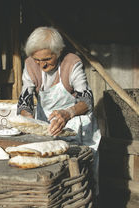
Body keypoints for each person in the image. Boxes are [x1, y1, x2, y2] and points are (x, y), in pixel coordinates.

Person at [17, 26, 101, 195]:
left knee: (81, 174)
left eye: (47, 59)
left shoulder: (71, 62)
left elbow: (87, 101)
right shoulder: (30, 64)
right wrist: (28, 120)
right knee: (54, 174)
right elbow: (24, 100)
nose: (42, 64)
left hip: (77, 124)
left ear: (59, 51)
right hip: (49, 125)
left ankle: (86, 205)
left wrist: (67, 114)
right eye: (37, 60)